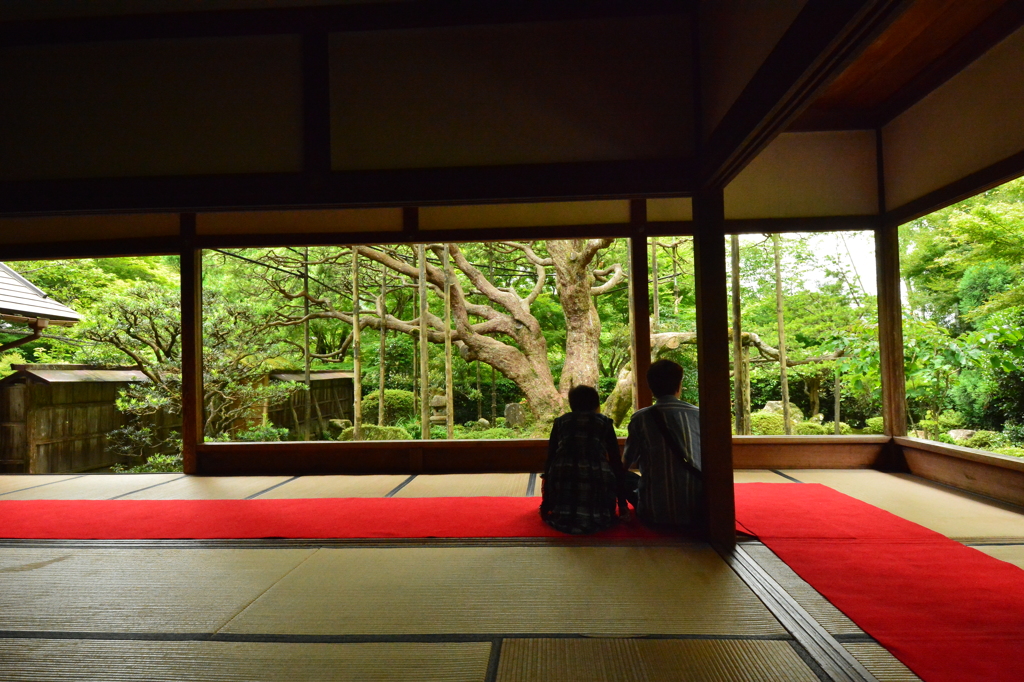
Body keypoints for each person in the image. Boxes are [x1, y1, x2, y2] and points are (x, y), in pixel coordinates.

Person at [622, 359, 702, 528]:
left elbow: (626, 462)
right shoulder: (698, 415)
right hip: (697, 510)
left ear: (650, 387)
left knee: (625, 478)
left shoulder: (641, 418)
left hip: (654, 513)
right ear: (679, 385)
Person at [540, 385, 630, 534]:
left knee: (560, 469)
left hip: (564, 476)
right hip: (597, 478)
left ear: (572, 404)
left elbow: (551, 459)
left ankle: (563, 510)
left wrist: (546, 503)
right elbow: (615, 461)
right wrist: (622, 504)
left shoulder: (561, 422)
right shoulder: (604, 422)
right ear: (596, 403)